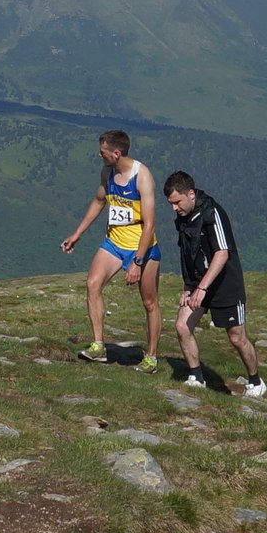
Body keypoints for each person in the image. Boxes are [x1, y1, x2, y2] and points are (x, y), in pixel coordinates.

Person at [61, 129, 163, 363]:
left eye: (103, 152)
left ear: (117, 153)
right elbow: (99, 200)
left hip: (142, 246)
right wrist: (77, 234)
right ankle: (98, 345)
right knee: (92, 283)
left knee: (149, 302)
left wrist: (137, 262)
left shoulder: (142, 175)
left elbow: (150, 225)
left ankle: (151, 356)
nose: (100, 156)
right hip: (114, 242)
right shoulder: (107, 172)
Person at [164, 170, 265, 396]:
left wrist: (201, 287)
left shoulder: (212, 213)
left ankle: (256, 381)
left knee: (236, 337)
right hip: (199, 283)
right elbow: (187, 255)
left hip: (225, 284)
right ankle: (196, 377)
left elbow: (222, 254)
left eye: (177, 202)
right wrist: (188, 286)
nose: (174, 208)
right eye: (170, 204)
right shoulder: (183, 218)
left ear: (190, 194)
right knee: (182, 326)